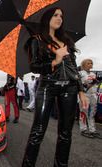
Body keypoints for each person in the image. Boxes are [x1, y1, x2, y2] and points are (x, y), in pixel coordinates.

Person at [22, 8, 88, 167]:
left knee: (65, 134)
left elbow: (73, 67)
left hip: (70, 88)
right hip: (47, 87)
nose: (59, 18)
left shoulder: (67, 41)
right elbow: (35, 67)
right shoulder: (36, 40)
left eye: (61, 16)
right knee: (38, 132)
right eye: (55, 15)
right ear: (47, 19)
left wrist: (80, 91)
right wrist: (55, 61)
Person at [79, 59, 102, 139]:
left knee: (92, 113)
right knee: (83, 112)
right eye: (88, 63)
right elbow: (79, 85)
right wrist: (86, 84)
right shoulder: (80, 73)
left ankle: (92, 130)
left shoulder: (93, 74)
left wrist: (95, 82)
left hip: (93, 95)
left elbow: (95, 84)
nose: (90, 64)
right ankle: (83, 129)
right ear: (84, 64)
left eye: (91, 63)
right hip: (85, 95)